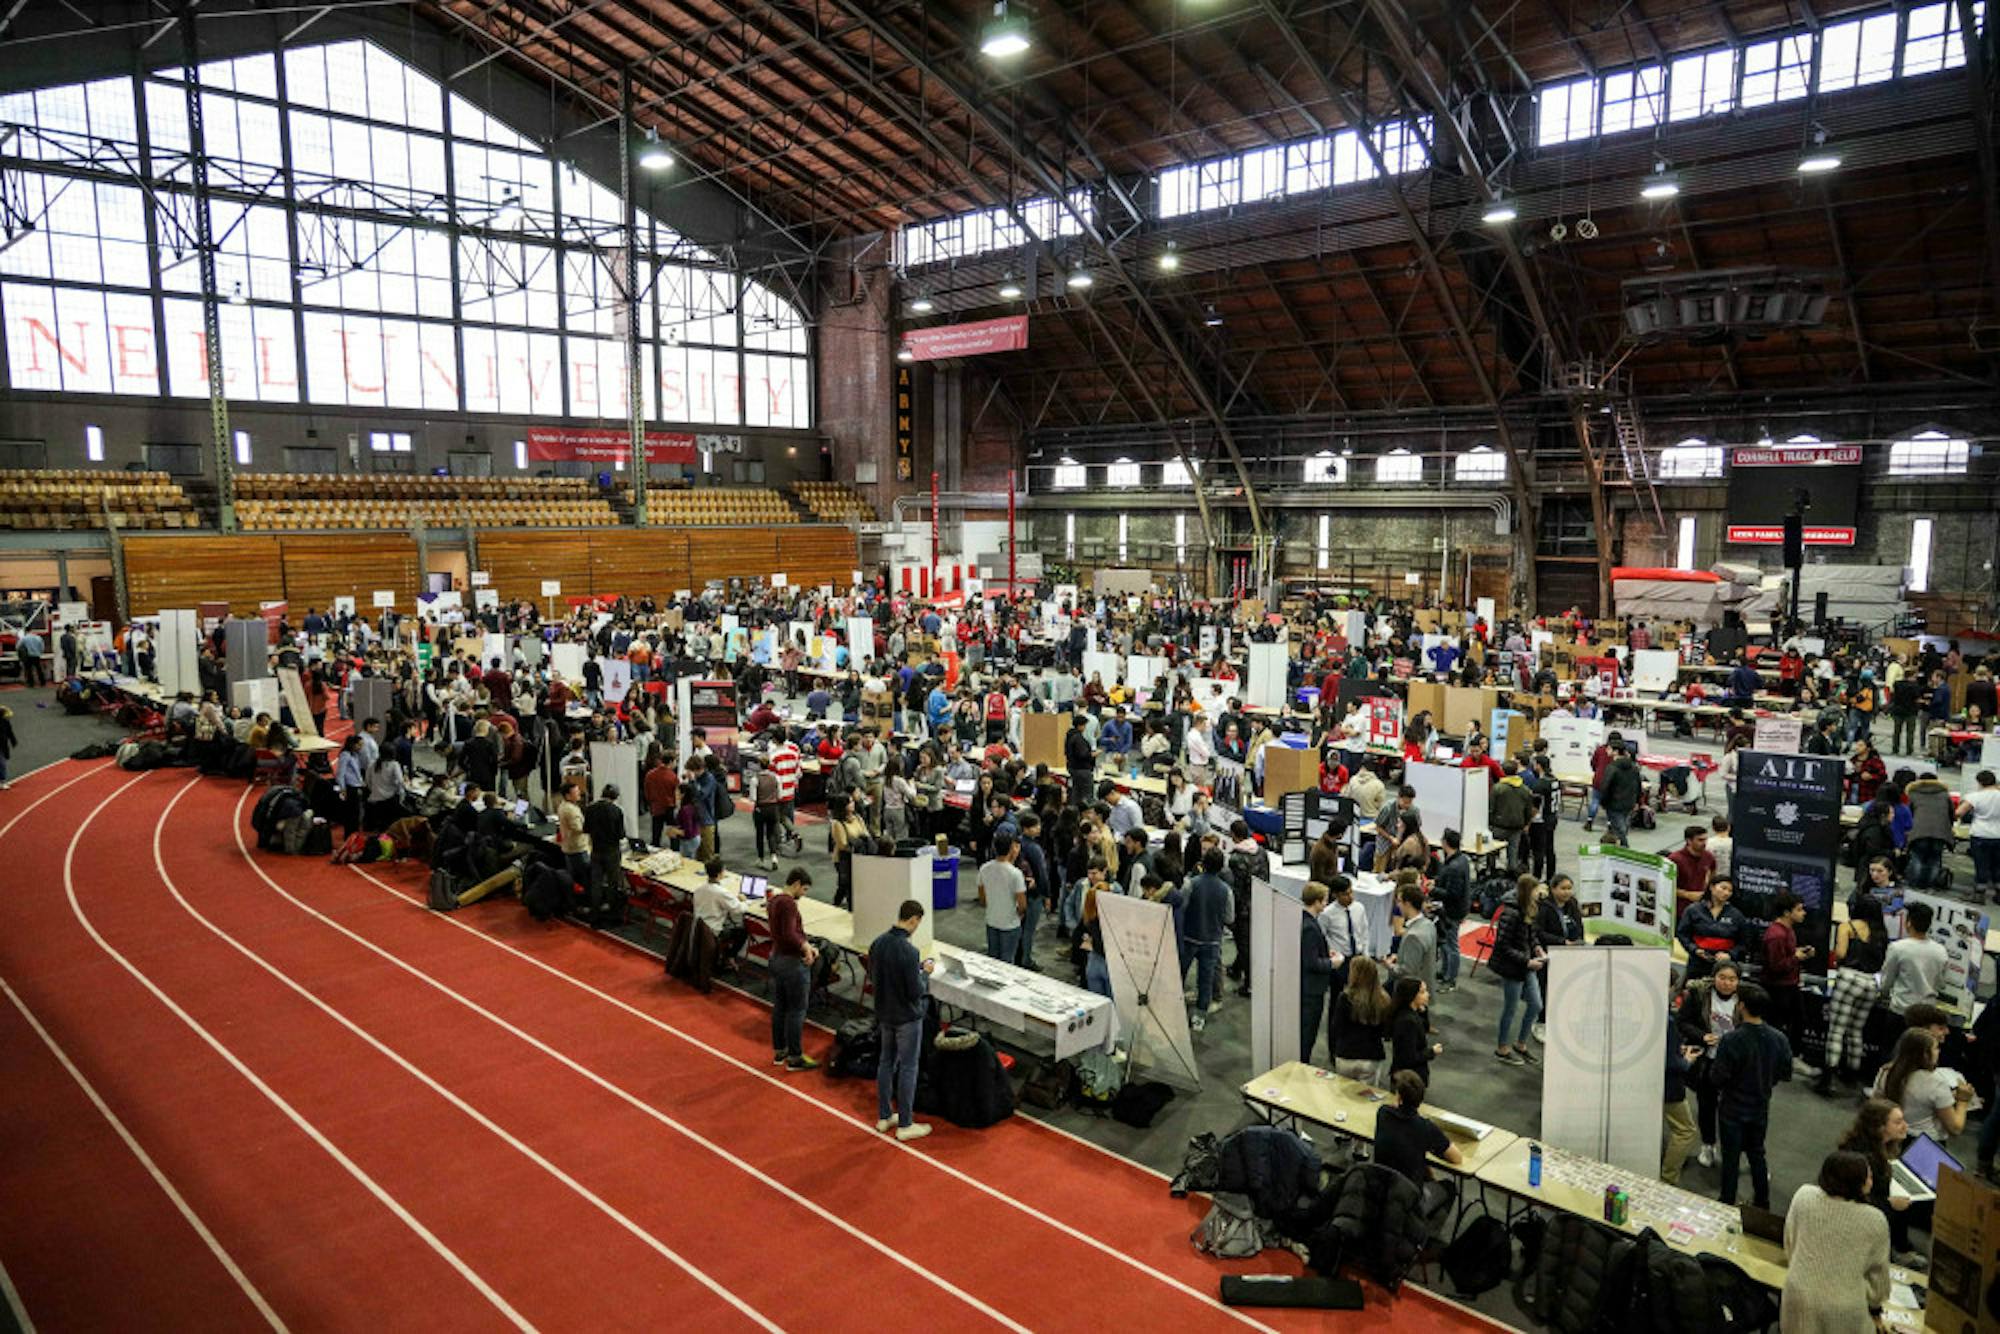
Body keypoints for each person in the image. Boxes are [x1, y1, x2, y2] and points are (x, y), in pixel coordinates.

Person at [1781, 1151, 1892, 1332]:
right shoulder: (1875, 1220)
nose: (1872, 1181)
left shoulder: (1803, 1196)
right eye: (1869, 1177)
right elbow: (1878, 1280)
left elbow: (1790, 1243)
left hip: (1796, 1297)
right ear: (1859, 1183)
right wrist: (1875, 1308)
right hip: (1844, 1310)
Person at [1709, 983, 1791, 1209]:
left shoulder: (1732, 1040)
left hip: (1732, 1108)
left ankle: (1726, 1201)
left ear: (1741, 1006)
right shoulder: (1779, 1039)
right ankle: (1762, 1202)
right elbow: (1785, 1073)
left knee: (1731, 1158)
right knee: (1757, 1154)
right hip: (1760, 1106)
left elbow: (1718, 1078)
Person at [869, 898, 936, 1142]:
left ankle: (884, 1115)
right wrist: (924, 973)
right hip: (907, 1017)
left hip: (884, 1014)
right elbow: (916, 991)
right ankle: (906, 1123)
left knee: (886, 1063)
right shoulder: (909, 951)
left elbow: (874, 977)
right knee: (908, 1067)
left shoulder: (877, 944)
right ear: (914, 920)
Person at [1840, 1098, 1928, 1264]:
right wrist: (1889, 1205)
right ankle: (1898, 1250)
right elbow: (1852, 1202)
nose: (1905, 1126)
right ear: (1880, 1127)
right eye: (1897, 1122)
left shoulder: (1881, 1148)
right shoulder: (1861, 1160)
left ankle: (1900, 1247)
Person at [1819, 893, 1890, 1093]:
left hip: (1849, 978)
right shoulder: (1881, 932)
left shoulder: (1847, 927)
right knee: (1856, 1030)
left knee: (1837, 1029)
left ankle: (1828, 1078)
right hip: (1870, 982)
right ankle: (1851, 1073)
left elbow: (1840, 953)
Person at [1677, 961, 1743, 1169]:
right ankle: (1708, 1144)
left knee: (1734, 1109)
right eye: (1722, 977)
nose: (1726, 983)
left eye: (1731, 979)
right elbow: (1682, 1022)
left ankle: (1737, 1151)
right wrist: (1702, 1036)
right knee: (1706, 1104)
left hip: (1734, 1063)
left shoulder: (1746, 998)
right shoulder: (1699, 995)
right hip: (1707, 1061)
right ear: (1714, 977)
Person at [1374, 1069, 1462, 1224]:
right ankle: (1425, 1234)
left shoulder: (1383, 1114)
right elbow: (1456, 1158)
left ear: (1399, 1097)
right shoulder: (1425, 1128)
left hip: (1382, 1188)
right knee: (1449, 1187)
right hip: (1409, 1197)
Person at [1873, 1028, 1970, 1143]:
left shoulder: (1886, 1071)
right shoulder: (1936, 1083)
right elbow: (1955, 1128)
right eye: (1936, 1048)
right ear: (1925, 1054)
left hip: (1889, 1137)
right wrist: (1963, 1102)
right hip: (1923, 1144)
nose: (1939, 1052)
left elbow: (1876, 1106)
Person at [1489, 876, 1545, 1066]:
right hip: (1512, 967)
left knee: (1536, 1005)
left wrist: (1537, 947)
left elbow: (1531, 934)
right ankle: (1502, 1048)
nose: (1541, 894)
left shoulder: (1530, 908)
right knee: (1510, 1008)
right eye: (1537, 890)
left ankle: (1520, 1044)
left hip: (1526, 964)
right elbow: (1502, 945)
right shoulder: (1511, 913)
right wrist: (1527, 961)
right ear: (1529, 891)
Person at [767, 868, 818, 1071]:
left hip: (777, 958)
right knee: (797, 1010)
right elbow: (789, 933)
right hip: (792, 963)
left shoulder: (774, 900)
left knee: (780, 1007)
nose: (804, 894)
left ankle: (780, 1051)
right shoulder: (788, 903)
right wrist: (806, 947)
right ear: (796, 884)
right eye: (804, 889)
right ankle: (795, 1057)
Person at [1760, 891, 1815, 1068]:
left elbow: (1787, 956)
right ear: (1786, 912)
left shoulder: (1788, 930)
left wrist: (1800, 953)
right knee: (1776, 1025)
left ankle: (1790, 1057)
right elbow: (1775, 966)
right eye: (1799, 910)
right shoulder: (1776, 935)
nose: (1803, 913)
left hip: (1790, 984)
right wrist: (1797, 958)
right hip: (1777, 988)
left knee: (1799, 1021)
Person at [1183, 847, 1233, 1029]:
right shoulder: (1226, 890)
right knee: (1206, 981)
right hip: (1212, 941)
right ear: (1221, 867)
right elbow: (1229, 918)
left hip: (1189, 936)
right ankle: (1199, 1018)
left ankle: (1173, 1009)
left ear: (1203, 863)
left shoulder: (1190, 883)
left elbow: (1182, 906)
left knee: (1180, 973)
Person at [1329, 955, 1392, 1085]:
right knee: (1366, 1100)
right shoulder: (1384, 1000)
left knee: (1342, 1096)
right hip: (1371, 1056)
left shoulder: (1345, 998)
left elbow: (1336, 1028)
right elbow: (1387, 1032)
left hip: (1346, 1055)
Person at [1879, 899, 1949, 1014]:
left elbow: (1887, 981)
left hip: (1901, 1009)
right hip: (1927, 1011)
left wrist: (1883, 994)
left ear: (1909, 923)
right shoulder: (1941, 951)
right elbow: (1941, 983)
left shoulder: (1898, 947)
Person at [1661, 1014, 1701, 1187]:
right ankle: (1668, 1179)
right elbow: (1671, 1063)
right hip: (1669, 1087)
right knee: (1685, 1130)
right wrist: (1686, 1061)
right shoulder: (1666, 1021)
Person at [977, 831, 1027, 963]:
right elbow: (1022, 903)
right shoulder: (1015, 874)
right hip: (1010, 923)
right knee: (1007, 961)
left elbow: (982, 899)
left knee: (993, 960)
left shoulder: (984, 869)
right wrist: (1019, 913)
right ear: (1011, 849)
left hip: (991, 920)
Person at [1298, 880, 1334, 1062]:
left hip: (1307, 987)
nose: (1327, 904)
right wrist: (1331, 963)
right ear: (1318, 902)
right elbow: (1311, 962)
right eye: (1325, 900)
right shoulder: (1310, 928)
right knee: (1308, 1032)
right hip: (1312, 989)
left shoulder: (1304, 920)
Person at [1432, 828, 1470, 993]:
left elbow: (1453, 894)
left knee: (1450, 945)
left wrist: (1433, 889)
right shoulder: (1461, 860)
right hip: (1455, 908)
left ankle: (1451, 978)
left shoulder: (1454, 866)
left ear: (1445, 843)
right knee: (1446, 944)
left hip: (1452, 910)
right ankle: (1445, 972)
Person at [583, 783, 626, 926]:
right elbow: (621, 834)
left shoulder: (590, 808)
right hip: (612, 851)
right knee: (613, 883)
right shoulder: (616, 811)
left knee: (596, 882)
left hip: (596, 849)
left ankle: (594, 913)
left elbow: (586, 829)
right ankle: (613, 914)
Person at [691, 856, 747, 964]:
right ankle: (730, 956)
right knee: (742, 932)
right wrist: (745, 902)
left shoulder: (699, 888)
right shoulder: (721, 893)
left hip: (698, 927)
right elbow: (738, 909)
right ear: (720, 873)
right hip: (713, 930)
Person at [1388, 976, 1442, 1087]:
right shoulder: (1408, 1022)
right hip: (1409, 1077)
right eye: (1422, 992)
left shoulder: (1409, 1014)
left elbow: (1425, 1027)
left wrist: (1422, 1010)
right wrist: (1432, 1051)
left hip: (1407, 1074)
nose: (1428, 994)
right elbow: (1410, 1057)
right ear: (1412, 996)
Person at [1960, 769, 2000, 900]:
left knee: (1981, 864)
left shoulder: (1975, 796)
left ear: (1980, 782)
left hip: (1980, 834)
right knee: (1997, 865)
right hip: (1998, 835)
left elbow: (1959, 812)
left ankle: (1979, 894)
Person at [1391, 879, 1438, 991]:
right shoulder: (1428, 924)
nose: (1398, 905)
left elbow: (1407, 972)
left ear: (1407, 904)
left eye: (1399, 901)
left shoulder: (1413, 936)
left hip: (1411, 994)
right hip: (1425, 986)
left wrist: (1390, 966)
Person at [827, 794, 870, 910]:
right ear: (844, 806)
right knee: (848, 885)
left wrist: (859, 842)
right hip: (843, 858)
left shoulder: (858, 817)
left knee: (846, 884)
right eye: (850, 802)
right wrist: (858, 841)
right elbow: (842, 844)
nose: (853, 804)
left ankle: (837, 904)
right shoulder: (837, 823)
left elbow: (866, 834)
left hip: (859, 855)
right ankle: (848, 908)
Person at [1666, 824, 1715, 918]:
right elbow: (1666, 885)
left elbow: (1713, 873)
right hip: (1679, 910)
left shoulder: (1709, 856)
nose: (1705, 843)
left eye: (1706, 839)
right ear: (1689, 841)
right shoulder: (1674, 859)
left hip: (1700, 909)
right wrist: (1687, 894)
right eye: (1700, 840)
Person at [556, 777, 591, 906]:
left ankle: (576, 903)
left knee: (575, 877)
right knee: (583, 878)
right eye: (575, 792)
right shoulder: (570, 810)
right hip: (577, 848)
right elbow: (579, 828)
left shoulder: (564, 806)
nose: (579, 794)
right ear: (568, 795)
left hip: (569, 847)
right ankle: (584, 903)